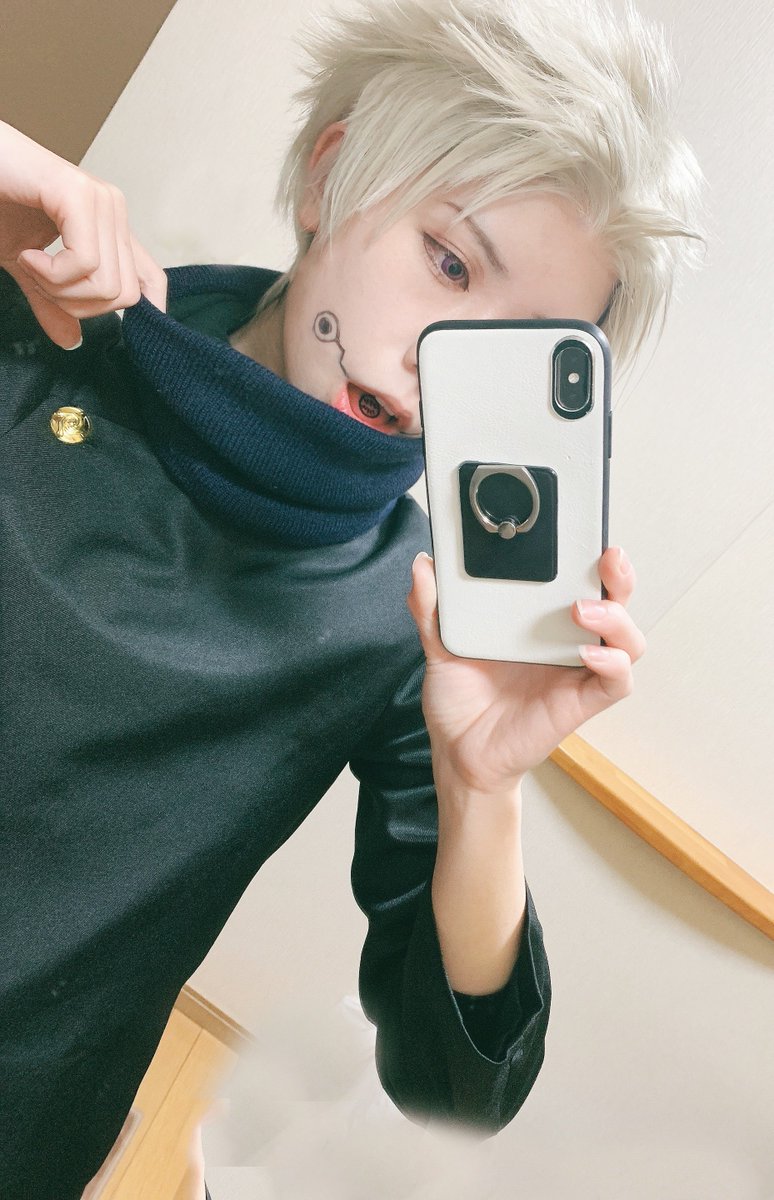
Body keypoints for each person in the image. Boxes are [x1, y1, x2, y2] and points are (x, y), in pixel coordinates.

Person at [0, 0, 704, 1196]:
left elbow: (451, 1088)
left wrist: (483, 789)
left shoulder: (416, 614)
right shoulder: (39, 327)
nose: (440, 361)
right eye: (449, 262)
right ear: (331, 175)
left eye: (514, 344)